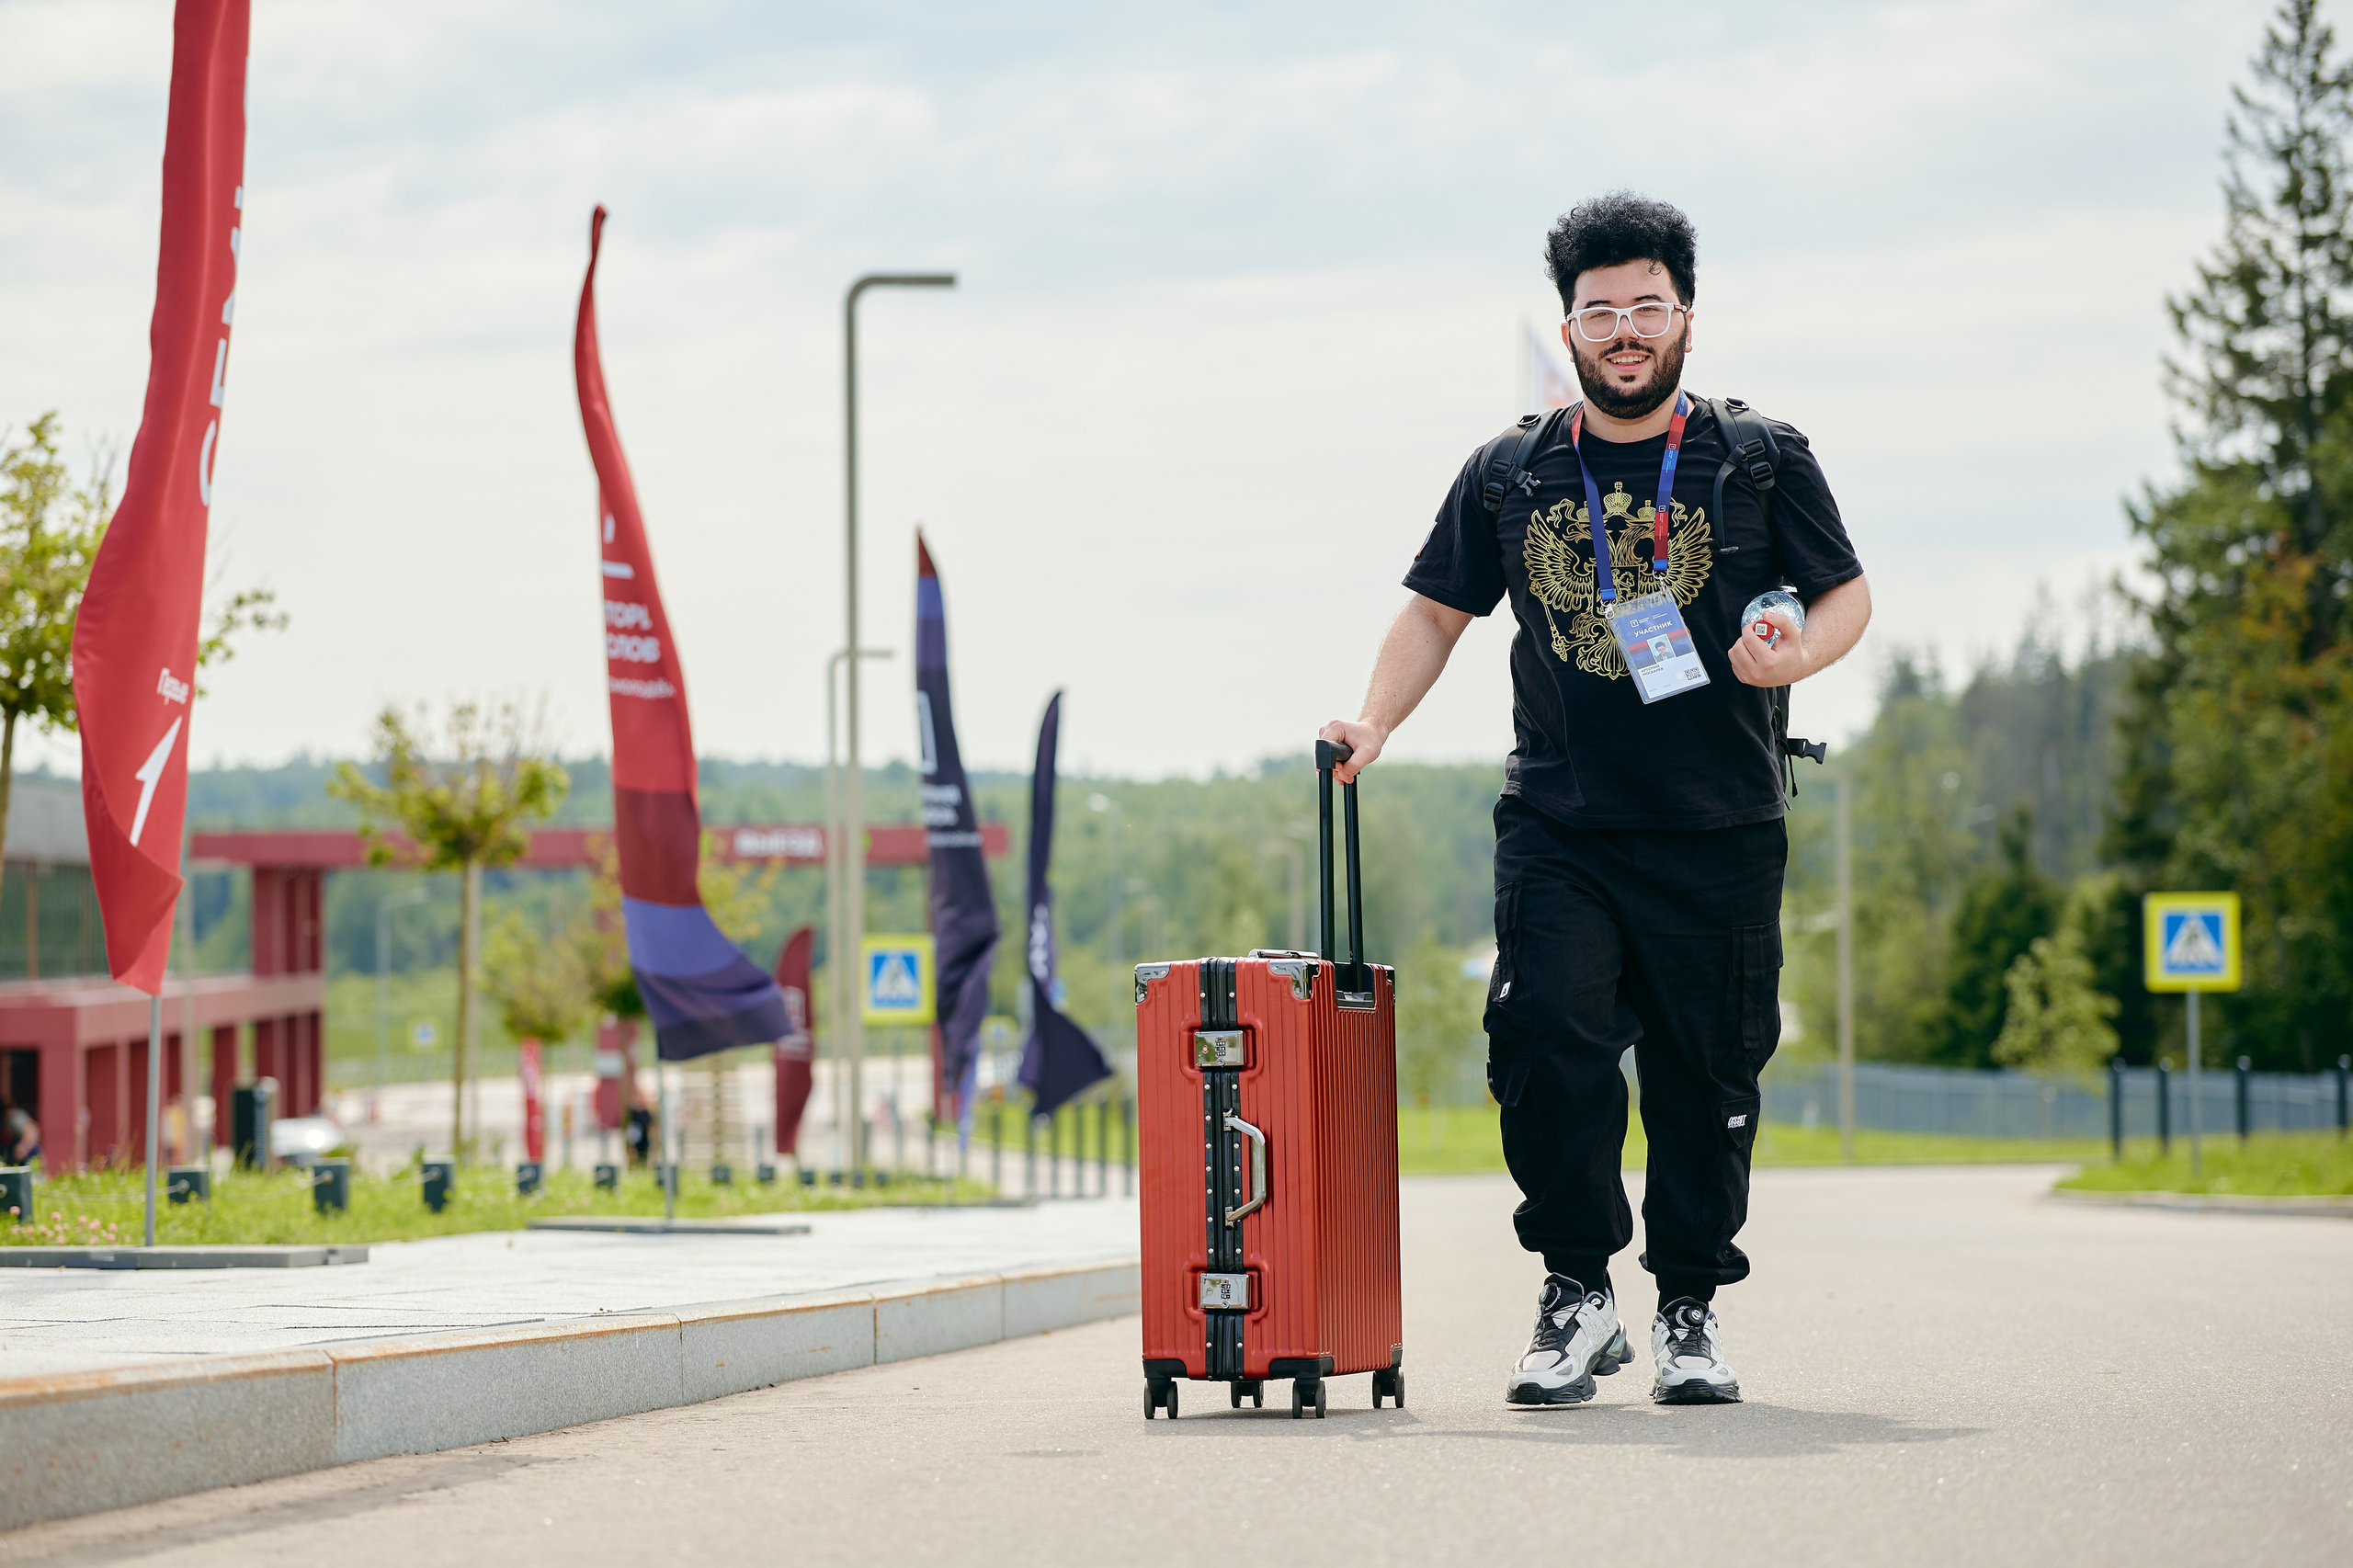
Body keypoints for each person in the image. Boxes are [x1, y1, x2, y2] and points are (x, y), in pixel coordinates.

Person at [1321, 192, 1870, 1407]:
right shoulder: (1512, 470)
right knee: (1542, 1040)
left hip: (1721, 825)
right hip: (1563, 821)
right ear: (1569, 325)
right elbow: (1433, 611)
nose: (1626, 330)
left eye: (1647, 307)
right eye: (1600, 310)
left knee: (1704, 1079)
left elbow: (1844, 595)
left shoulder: (1759, 456)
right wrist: (1374, 719)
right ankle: (1577, 1291)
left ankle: (1686, 1308)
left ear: (1686, 314)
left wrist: (1800, 653)